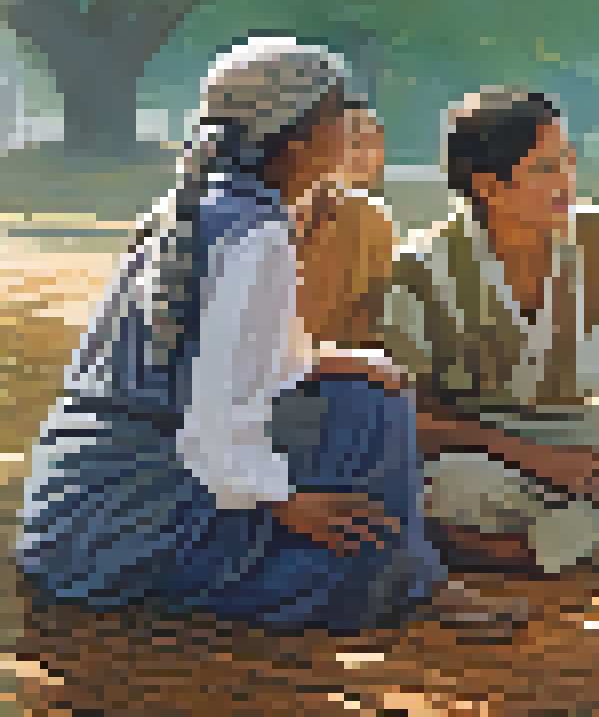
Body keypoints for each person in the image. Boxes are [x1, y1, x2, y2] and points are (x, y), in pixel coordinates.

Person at [15, 38, 516, 635]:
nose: (351, 126)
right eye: (338, 114)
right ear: (301, 136)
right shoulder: (254, 233)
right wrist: (287, 502)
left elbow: (231, 365)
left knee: (365, 387)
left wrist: (333, 363)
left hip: (77, 512)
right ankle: (397, 584)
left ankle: (408, 577)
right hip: (130, 519)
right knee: (371, 414)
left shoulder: (207, 209)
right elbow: (213, 423)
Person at [375, 88, 599, 575]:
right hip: (480, 451)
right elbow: (415, 420)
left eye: (568, 163)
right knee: (451, 490)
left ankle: (516, 553)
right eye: (546, 169)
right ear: (488, 184)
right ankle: (586, 548)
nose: (567, 182)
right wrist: (535, 458)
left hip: (581, 436)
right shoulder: (422, 268)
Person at [293, 99, 397, 349]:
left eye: (372, 142)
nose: (367, 155)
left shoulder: (370, 218)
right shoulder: (254, 217)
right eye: (353, 143)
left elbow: (372, 324)